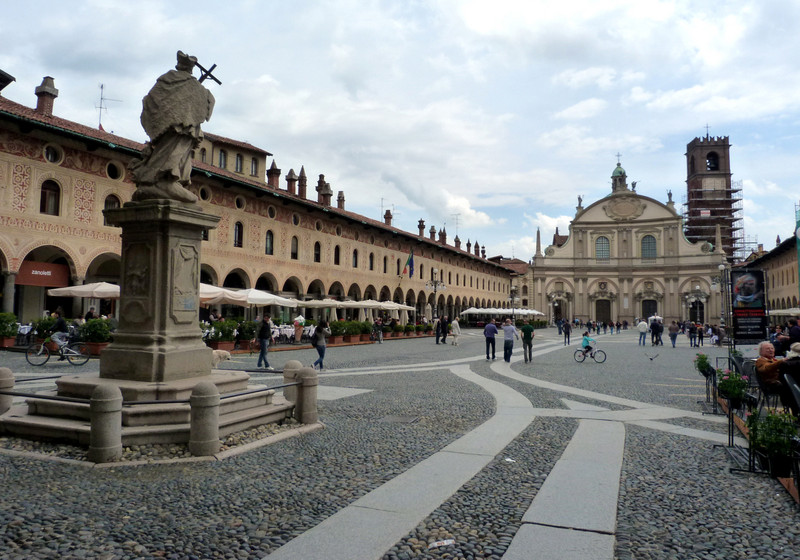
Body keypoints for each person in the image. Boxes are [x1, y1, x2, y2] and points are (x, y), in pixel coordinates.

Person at [130, 51, 215, 203]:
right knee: (173, 154)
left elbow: (149, 101)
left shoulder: (165, 81)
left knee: (170, 153)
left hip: (168, 130)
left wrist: (165, 115)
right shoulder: (196, 88)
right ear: (191, 69)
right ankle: (163, 180)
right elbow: (208, 101)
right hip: (180, 132)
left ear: (178, 65)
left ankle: (159, 180)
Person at [755, 341, 795, 413]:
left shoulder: (773, 360)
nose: (771, 350)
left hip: (779, 383)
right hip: (772, 385)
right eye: (767, 349)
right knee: (791, 389)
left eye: (772, 348)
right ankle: (793, 409)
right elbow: (766, 368)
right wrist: (781, 361)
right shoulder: (760, 360)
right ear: (761, 351)